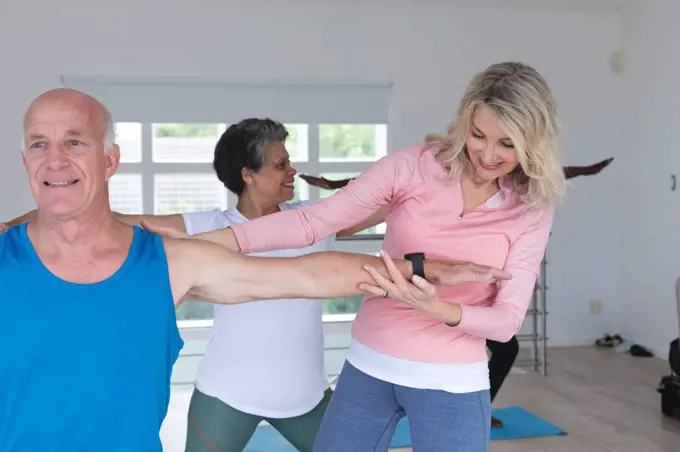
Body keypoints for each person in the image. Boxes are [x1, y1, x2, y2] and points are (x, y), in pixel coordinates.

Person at [0, 88, 512, 452]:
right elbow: (111, 217)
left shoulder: (304, 223)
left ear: (110, 159)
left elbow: (316, 272)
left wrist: (422, 257)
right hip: (229, 395)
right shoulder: (206, 226)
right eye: (40, 144)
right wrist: (19, 223)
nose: (291, 172)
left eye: (74, 142)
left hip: (306, 394)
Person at [142, 61, 566, 452]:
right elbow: (313, 221)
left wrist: (436, 307)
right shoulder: (414, 166)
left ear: (532, 142)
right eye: (478, 136)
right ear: (464, 124)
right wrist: (218, 240)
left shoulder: (531, 206)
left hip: (452, 378)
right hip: (370, 367)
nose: (488, 155)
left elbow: (507, 320)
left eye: (506, 144)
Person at [299, 155, 614, 428]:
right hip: (430, 285)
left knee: (507, 348)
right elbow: (377, 182)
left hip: (471, 296)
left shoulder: (518, 183)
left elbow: (553, 174)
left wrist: (586, 170)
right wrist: (335, 183)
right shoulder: (442, 175)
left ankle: (482, 406)